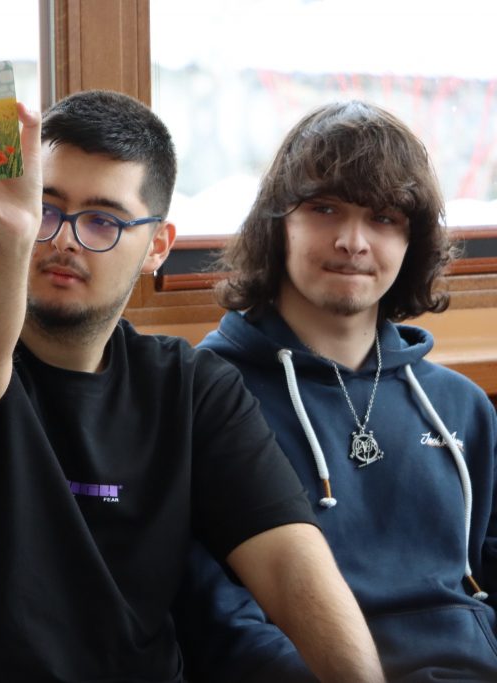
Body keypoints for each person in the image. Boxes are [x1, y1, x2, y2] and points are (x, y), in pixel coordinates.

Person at [0, 89, 385, 682]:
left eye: (103, 220)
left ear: (157, 246)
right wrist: (11, 236)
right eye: (46, 209)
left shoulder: (191, 387)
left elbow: (290, 564)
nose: (65, 238)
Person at [175, 101, 497, 682]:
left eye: (384, 218)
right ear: (278, 223)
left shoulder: (462, 406)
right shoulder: (207, 393)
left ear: (413, 239)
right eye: (324, 209)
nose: (353, 241)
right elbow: (213, 613)